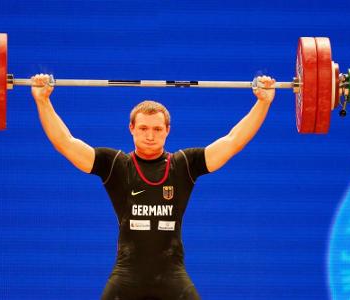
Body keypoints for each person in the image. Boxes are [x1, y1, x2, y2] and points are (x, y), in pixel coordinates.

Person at [31, 74, 276, 300]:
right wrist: (43, 101)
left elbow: (232, 141)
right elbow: (66, 143)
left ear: (167, 130)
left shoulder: (183, 165)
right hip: (127, 276)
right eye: (144, 128)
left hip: (172, 275)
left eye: (157, 129)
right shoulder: (116, 165)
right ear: (131, 129)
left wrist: (262, 103)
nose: (150, 135)